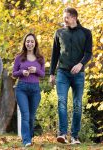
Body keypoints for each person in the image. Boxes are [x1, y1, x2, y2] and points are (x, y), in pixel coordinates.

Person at [49, 7, 92, 144]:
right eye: (64, 17)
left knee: (77, 104)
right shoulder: (59, 33)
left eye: (66, 17)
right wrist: (51, 73)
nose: (64, 19)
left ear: (74, 17)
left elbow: (88, 53)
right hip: (62, 73)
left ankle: (74, 136)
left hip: (78, 75)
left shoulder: (86, 33)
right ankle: (62, 134)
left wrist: (81, 64)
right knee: (62, 102)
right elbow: (55, 54)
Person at [13, 33, 45, 147]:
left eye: (32, 41)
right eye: (27, 41)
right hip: (22, 88)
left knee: (31, 116)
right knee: (25, 115)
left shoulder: (40, 58)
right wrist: (22, 72)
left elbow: (42, 74)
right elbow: (14, 73)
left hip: (35, 90)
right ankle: (26, 140)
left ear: (35, 43)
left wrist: (36, 69)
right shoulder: (19, 57)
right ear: (24, 43)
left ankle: (29, 137)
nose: (29, 43)